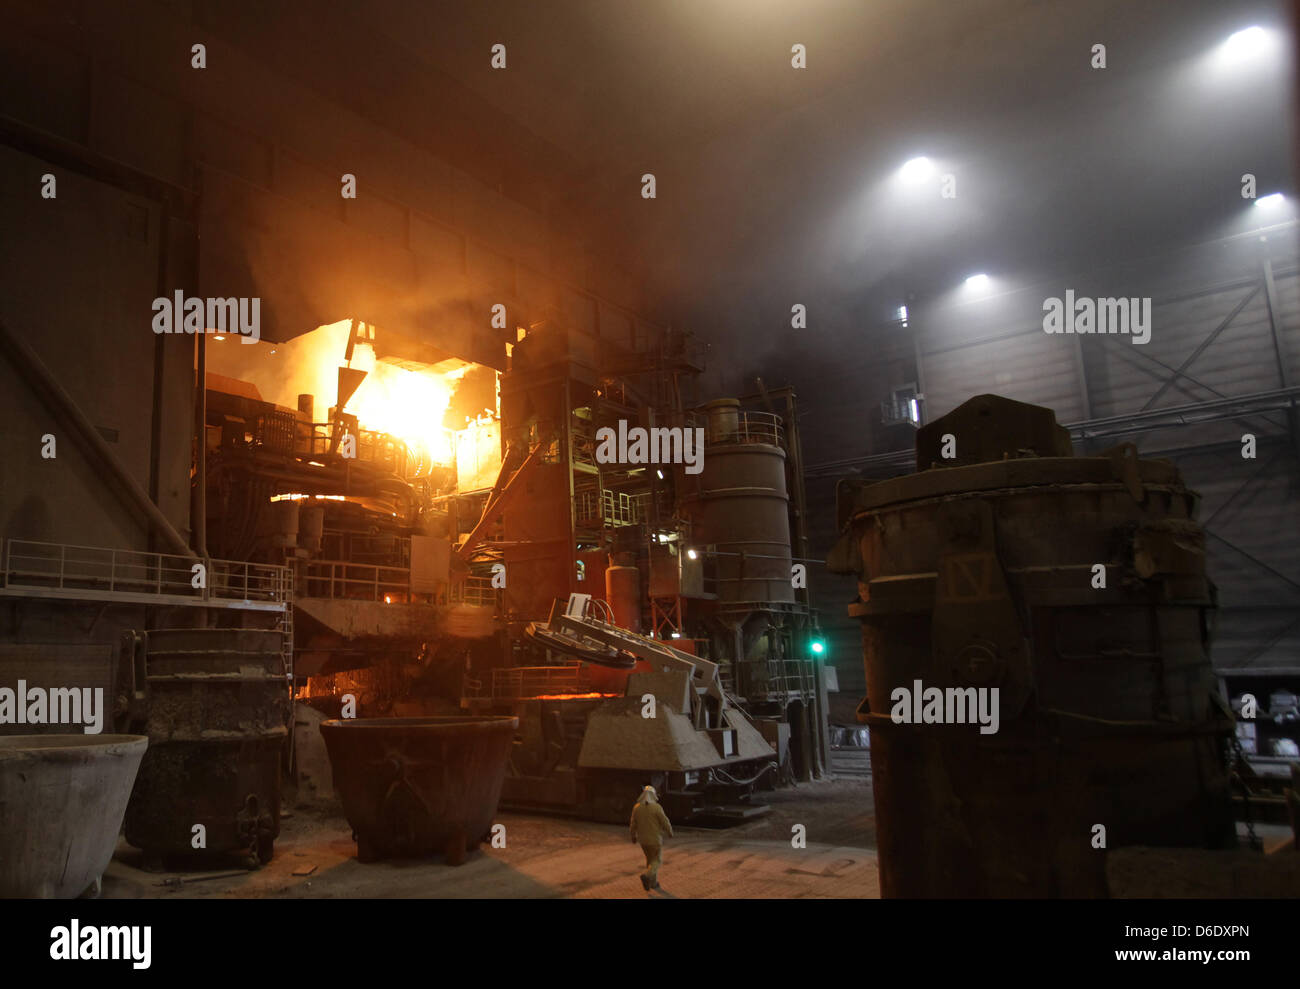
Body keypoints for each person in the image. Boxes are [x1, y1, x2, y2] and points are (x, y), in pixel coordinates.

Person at [629, 785, 674, 890]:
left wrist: (633, 836)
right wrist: (670, 832)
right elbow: (665, 821)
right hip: (655, 839)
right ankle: (647, 876)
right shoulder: (657, 807)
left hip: (643, 841)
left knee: (650, 861)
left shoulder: (637, 808)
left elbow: (633, 824)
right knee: (657, 860)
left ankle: (653, 883)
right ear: (653, 795)